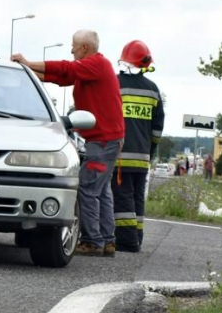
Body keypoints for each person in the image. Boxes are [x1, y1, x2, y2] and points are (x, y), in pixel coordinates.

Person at [12, 30, 124, 257]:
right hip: (106, 140)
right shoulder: (92, 69)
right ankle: (107, 239)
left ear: (84, 48)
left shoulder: (96, 65)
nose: (71, 50)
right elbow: (62, 78)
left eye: (73, 46)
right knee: (101, 190)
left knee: (87, 188)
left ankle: (93, 241)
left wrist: (27, 62)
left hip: (103, 141)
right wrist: (26, 72)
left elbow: (66, 69)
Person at [111, 40, 165, 253]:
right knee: (136, 198)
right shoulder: (153, 90)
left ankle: (126, 241)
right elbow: (157, 129)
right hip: (142, 155)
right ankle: (137, 237)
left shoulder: (115, 85)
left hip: (120, 154)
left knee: (122, 197)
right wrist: (150, 151)